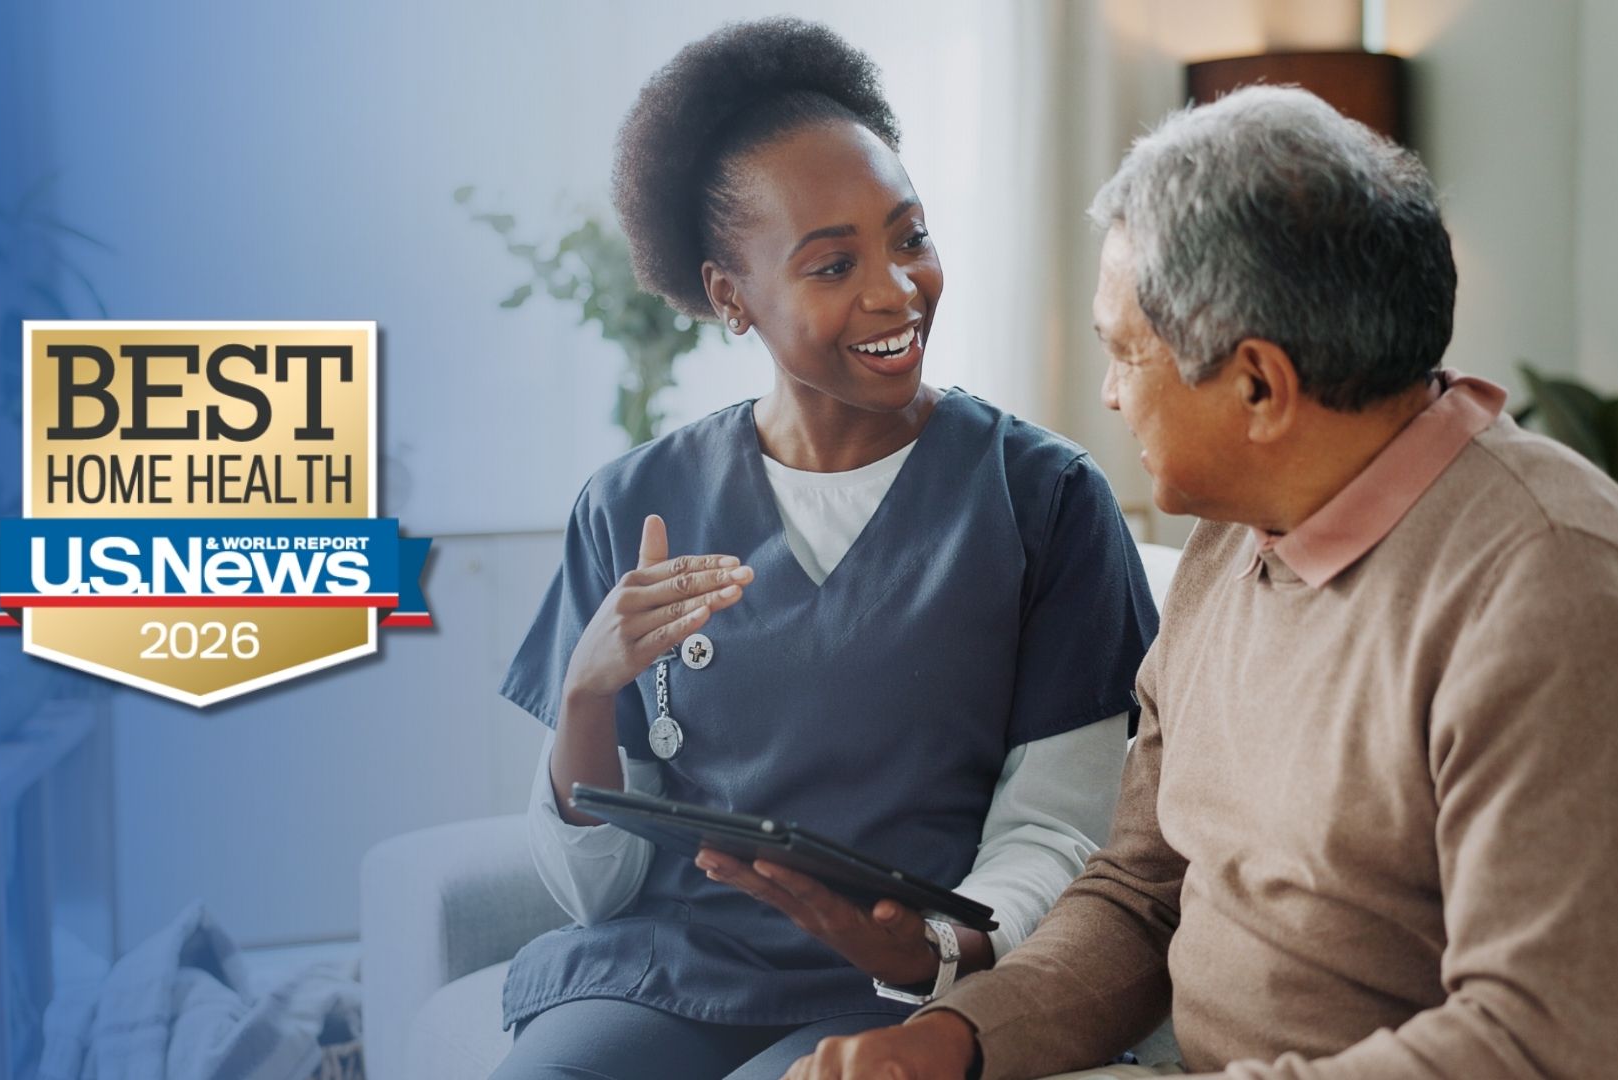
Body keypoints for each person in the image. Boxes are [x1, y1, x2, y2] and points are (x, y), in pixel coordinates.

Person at [786, 86, 1618, 1079]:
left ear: (1258, 386)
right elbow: (1142, 894)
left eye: (1124, 351)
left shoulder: (1554, 596)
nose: (1109, 394)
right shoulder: (1236, 536)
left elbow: (1532, 1047)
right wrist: (954, 1041)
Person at [491, 18, 1159, 1080]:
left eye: (910, 237)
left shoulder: (1047, 501)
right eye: (833, 263)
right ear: (728, 294)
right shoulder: (631, 503)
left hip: (908, 985)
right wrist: (583, 695)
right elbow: (592, 889)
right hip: (671, 969)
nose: (895, 289)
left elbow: (1066, 832)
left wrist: (941, 944)